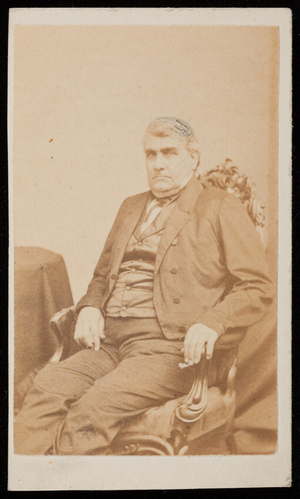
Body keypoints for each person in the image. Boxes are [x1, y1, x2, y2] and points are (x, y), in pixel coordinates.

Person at [14, 117, 273, 455]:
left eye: (169, 153)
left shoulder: (221, 206)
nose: (158, 164)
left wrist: (213, 322)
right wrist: (91, 306)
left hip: (169, 349)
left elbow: (257, 286)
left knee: (92, 410)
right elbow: (101, 276)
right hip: (109, 343)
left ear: (194, 158)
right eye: (151, 155)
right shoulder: (130, 206)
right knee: (47, 388)